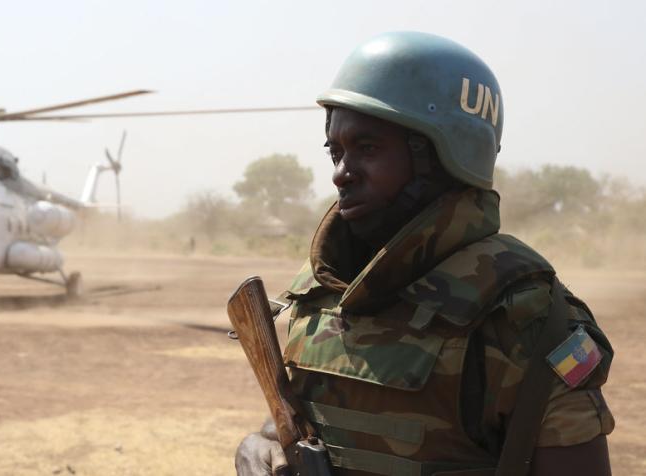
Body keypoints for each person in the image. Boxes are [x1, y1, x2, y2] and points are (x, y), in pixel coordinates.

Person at [235, 32, 614, 476]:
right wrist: (258, 444)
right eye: (335, 151)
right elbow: (309, 424)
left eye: (368, 148)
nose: (341, 174)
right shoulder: (325, 288)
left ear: (443, 155)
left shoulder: (524, 316)